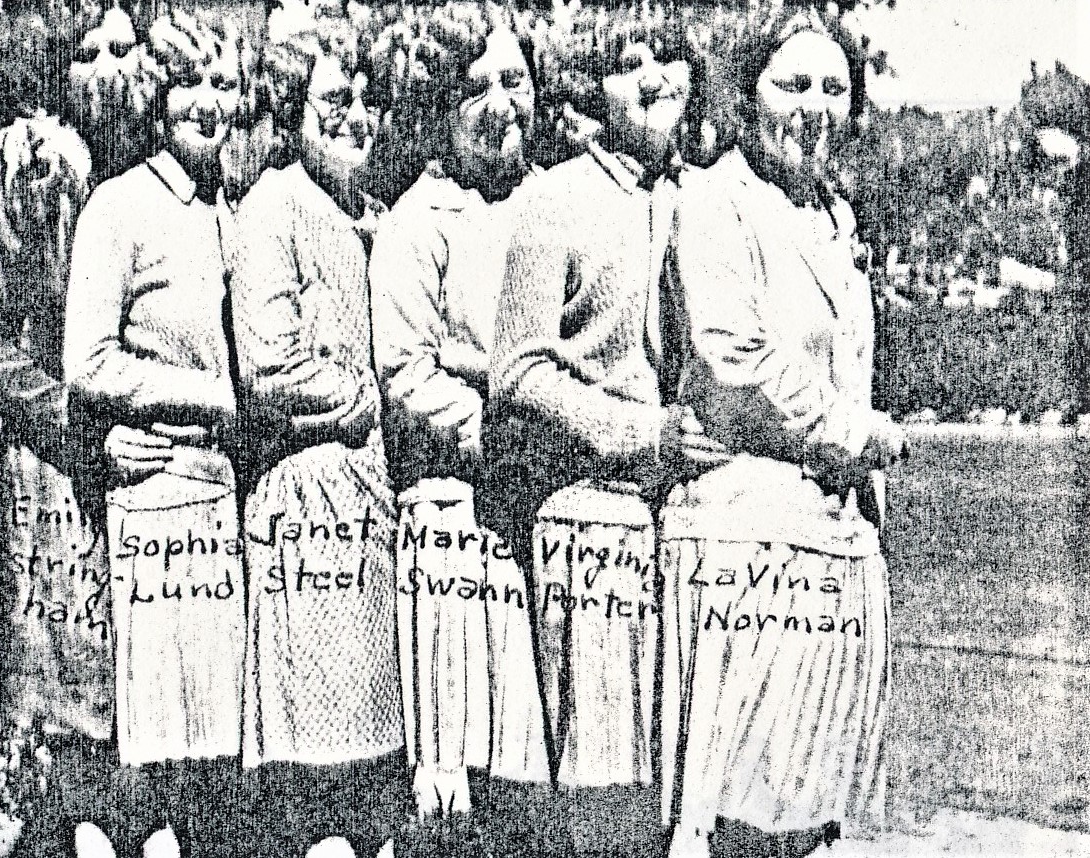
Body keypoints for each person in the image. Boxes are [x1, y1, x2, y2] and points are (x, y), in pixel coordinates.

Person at [660, 7, 908, 857]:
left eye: (833, 88)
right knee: (734, 821)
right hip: (745, 544)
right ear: (743, 94)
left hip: (837, 548)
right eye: (791, 84)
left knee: (814, 826)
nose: (814, 107)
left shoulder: (835, 222)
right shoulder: (716, 198)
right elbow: (730, 355)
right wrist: (850, 429)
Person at [485, 6, 722, 858]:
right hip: (593, 520)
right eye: (629, 62)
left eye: (668, 58)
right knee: (604, 800)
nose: (653, 77)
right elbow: (517, 371)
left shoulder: (709, 200)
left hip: (695, 533)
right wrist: (634, 432)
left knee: (691, 798)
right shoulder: (554, 198)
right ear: (593, 85)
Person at [368, 3, 552, 855]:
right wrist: (494, 423)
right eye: (474, 88)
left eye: (512, 81)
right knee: (451, 784)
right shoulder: (420, 220)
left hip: (543, 515)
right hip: (453, 517)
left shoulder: (554, 207)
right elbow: (408, 371)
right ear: (444, 108)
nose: (498, 104)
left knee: (534, 766)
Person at [63, 8, 247, 857]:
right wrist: (205, 394)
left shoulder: (235, 213)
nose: (208, 102)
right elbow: (89, 362)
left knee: (218, 763)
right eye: (189, 83)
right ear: (155, 97)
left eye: (224, 83)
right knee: (159, 759)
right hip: (157, 494)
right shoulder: (119, 205)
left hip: (229, 501)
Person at [224, 13, 408, 858]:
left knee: (371, 772)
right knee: (316, 774)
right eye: (335, 96)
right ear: (292, 108)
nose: (355, 113)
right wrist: (368, 397)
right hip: (306, 506)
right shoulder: (275, 205)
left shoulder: (360, 216)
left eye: (367, 96)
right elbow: (269, 369)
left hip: (365, 505)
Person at [0, 112, 146, 858]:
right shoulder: (34, 158)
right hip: (55, 462)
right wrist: (69, 413)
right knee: (70, 675)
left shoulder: (166, 140)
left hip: (148, 449)